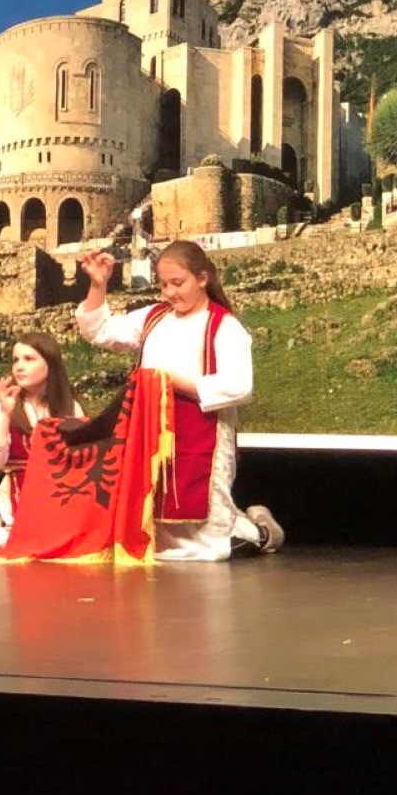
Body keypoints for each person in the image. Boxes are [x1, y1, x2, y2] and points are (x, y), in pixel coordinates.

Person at [76, 240, 282, 563]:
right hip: (152, 439)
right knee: (155, 525)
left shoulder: (223, 326)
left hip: (201, 436)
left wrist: (170, 381)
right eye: (164, 285)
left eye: (178, 283)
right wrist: (98, 285)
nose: (170, 292)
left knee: (205, 542)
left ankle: (261, 532)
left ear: (202, 279)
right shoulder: (154, 318)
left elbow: (239, 385)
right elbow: (100, 331)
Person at [0, 334, 84, 552]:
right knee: (3, 539)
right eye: (16, 360)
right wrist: (6, 413)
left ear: (50, 363)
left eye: (29, 359)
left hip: (57, 497)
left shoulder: (70, 408)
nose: (19, 367)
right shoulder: (3, 406)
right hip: (16, 499)